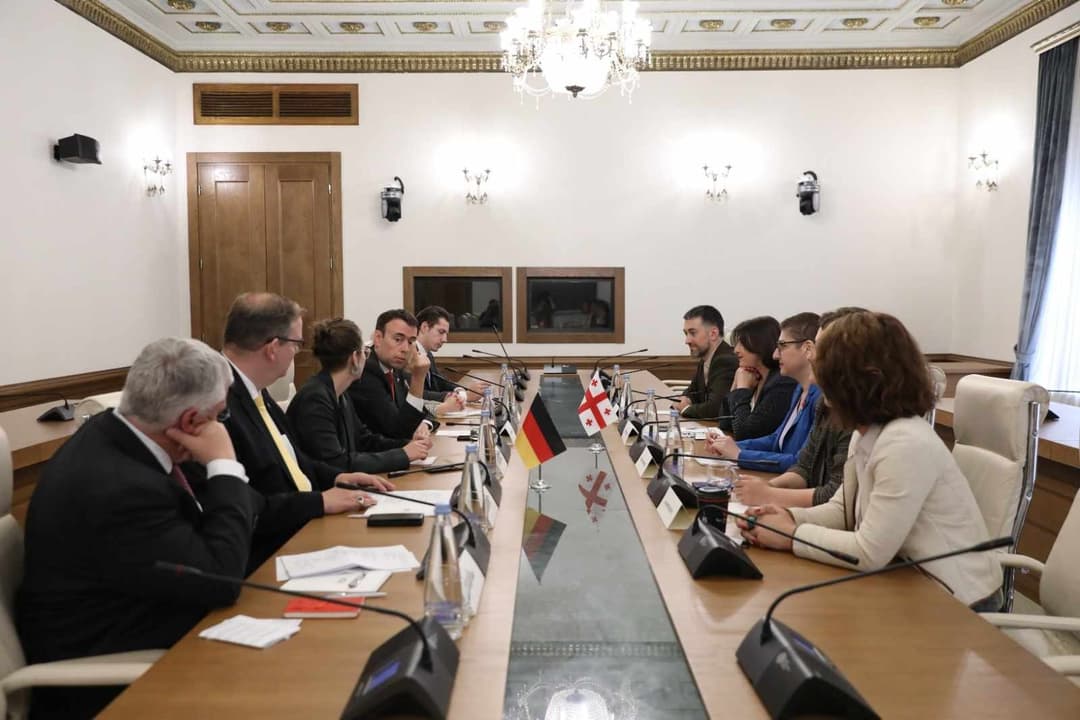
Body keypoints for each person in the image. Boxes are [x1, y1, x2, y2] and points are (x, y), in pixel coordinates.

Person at [18, 338, 259, 719]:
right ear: (191, 421)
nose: (221, 428)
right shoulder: (120, 488)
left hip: (149, 621)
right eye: (220, 416)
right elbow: (221, 580)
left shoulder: (118, 433)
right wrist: (225, 464)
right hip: (112, 680)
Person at [737, 311, 1004, 610]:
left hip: (959, 603)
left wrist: (791, 535)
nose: (814, 369)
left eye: (822, 361)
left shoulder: (905, 443)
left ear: (855, 376)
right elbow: (843, 510)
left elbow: (868, 552)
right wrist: (787, 518)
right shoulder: (866, 431)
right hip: (906, 580)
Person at [221, 293, 390, 570]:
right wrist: (319, 502)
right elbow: (247, 505)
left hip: (302, 528)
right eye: (297, 344)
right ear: (273, 348)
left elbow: (295, 461)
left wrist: (339, 477)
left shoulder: (258, 395)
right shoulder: (219, 403)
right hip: (271, 555)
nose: (298, 352)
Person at [733, 308, 863, 508]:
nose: (811, 357)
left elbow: (838, 498)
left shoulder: (850, 413)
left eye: (817, 348)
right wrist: (767, 489)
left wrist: (769, 495)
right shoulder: (822, 401)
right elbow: (804, 466)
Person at [286, 318, 433, 474]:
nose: (366, 358)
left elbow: (364, 441)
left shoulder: (339, 393)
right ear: (355, 358)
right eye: (365, 353)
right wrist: (403, 454)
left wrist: (408, 445)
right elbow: (336, 464)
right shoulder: (314, 398)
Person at [706, 313, 821, 472]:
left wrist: (739, 454)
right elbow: (775, 439)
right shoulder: (799, 390)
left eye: (782, 345)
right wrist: (727, 445)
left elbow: (801, 463)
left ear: (807, 348)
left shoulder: (815, 397)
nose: (775, 354)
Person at [349, 309, 456, 439]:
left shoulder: (395, 368)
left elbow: (416, 410)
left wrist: (425, 423)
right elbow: (399, 431)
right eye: (398, 339)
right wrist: (418, 378)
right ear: (377, 338)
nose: (405, 349)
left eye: (411, 342)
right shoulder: (366, 372)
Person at [716, 316, 797, 439]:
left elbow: (744, 433)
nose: (735, 350)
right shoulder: (753, 377)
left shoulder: (781, 383)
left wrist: (742, 389)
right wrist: (736, 384)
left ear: (761, 344)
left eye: (741, 343)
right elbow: (724, 422)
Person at [673, 305, 738, 420]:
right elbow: (692, 391)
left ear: (713, 334)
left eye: (693, 333)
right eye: (686, 333)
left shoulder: (725, 360)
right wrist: (686, 398)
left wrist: (685, 409)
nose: (687, 340)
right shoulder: (706, 357)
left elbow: (716, 408)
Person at [415, 305, 484, 401]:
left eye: (446, 334)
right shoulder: (409, 355)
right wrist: (464, 396)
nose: (445, 339)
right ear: (424, 327)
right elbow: (417, 395)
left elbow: (441, 382)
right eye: (441, 332)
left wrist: (463, 391)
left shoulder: (428, 354)